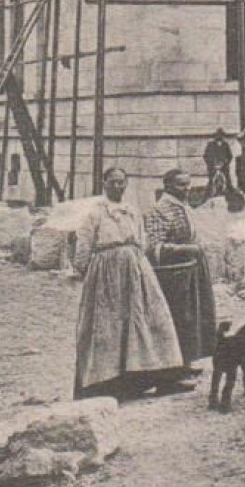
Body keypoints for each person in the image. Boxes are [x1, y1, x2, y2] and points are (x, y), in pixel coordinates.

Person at [72, 167, 189, 400]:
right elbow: (84, 245)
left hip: (135, 268)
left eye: (121, 182)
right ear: (104, 183)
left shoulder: (132, 211)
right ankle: (107, 384)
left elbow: (143, 240)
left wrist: (139, 263)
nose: (118, 187)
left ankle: (158, 377)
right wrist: (87, 271)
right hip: (106, 272)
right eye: (113, 182)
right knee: (109, 326)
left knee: (151, 319)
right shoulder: (95, 213)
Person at [143, 168, 219, 367]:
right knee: (178, 318)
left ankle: (187, 362)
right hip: (173, 274)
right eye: (181, 185)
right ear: (167, 186)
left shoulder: (184, 206)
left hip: (192, 269)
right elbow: (154, 248)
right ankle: (173, 367)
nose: (187, 189)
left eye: (188, 184)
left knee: (194, 317)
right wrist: (188, 248)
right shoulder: (159, 210)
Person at [203, 128, 234, 197]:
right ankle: (208, 195)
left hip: (224, 167)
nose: (219, 137)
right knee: (212, 181)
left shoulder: (225, 145)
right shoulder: (210, 145)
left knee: (227, 180)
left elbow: (230, 156)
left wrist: (224, 163)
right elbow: (206, 156)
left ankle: (230, 194)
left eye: (221, 135)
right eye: (218, 135)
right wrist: (212, 164)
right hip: (213, 167)